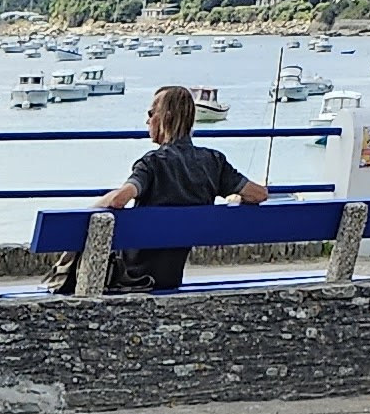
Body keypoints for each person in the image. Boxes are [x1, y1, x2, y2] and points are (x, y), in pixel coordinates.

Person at [92, 88, 268, 290]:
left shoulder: (153, 163)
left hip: (132, 276)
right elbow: (259, 194)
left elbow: (118, 200)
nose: (147, 121)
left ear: (166, 117)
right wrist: (237, 198)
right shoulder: (213, 162)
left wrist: (91, 209)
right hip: (171, 277)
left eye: (151, 113)